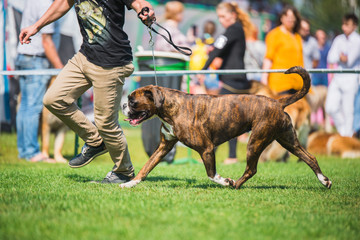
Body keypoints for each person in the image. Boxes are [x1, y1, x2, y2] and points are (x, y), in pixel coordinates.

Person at [19, 0, 156, 183]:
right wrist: (36, 26)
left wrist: (146, 11)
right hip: (85, 56)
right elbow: (63, 3)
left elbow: (138, 2)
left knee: (105, 123)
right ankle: (95, 141)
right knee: (53, 99)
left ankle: (124, 172)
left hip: (111, 61)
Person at [199, 2, 252, 164]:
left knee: (218, 117)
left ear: (233, 15)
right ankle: (229, 155)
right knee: (230, 120)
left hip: (233, 81)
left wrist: (202, 69)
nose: (221, 20)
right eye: (219, 17)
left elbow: (217, 50)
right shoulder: (235, 30)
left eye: (223, 16)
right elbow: (221, 50)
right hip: (233, 80)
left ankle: (216, 154)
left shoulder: (233, 29)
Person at [15, 0, 63, 163]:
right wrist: (61, 71)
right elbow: (46, 42)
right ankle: (31, 152)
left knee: (24, 106)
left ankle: (24, 150)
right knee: (33, 107)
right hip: (37, 60)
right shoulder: (46, 5)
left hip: (23, 56)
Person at [325, 13, 360, 137]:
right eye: (343, 24)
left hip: (351, 79)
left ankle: (347, 137)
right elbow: (330, 58)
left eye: (347, 24)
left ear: (354, 26)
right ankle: (343, 132)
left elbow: (349, 60)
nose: (344, 27)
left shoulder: (357, 40)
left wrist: (340, 57)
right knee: (330, 107)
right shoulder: (339, 39)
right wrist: (341, 57)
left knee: (348, 110)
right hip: (337, 78)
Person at [261, 5, 304, 94]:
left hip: (297, 84)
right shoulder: (274, 35)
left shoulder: (297, 37)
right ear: (281, 18)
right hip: (280, 84)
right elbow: (268, 58)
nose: (290, 19)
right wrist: (264, 78)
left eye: (292, 17)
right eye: (287, 17)